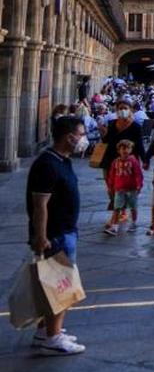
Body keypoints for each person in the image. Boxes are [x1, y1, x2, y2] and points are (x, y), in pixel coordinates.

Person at [26, 115, 87, 355]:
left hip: (66, 230)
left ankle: (45, 331)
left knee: (57, 285)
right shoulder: (47, 164)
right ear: (68, 136)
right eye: (81, 135)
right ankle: (53, 337)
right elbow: (40, 204)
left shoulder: (63, 160)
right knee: (61, 288)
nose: (83, 139)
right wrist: (40, 236)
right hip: (55, 234)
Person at [103, 139, 143, 235]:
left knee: (133, 207)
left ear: (131, 150)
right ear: (118, 150)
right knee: (117, 207)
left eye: (127, 148)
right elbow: (111, 175)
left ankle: (133, 223)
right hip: (119, 189)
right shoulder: (115, 162)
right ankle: (115, 227)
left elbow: (138, 174)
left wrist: (139, 185)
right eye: (123, 148)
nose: (125, 150)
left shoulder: (133, 161)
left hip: (132, 189)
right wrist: (110, 186)